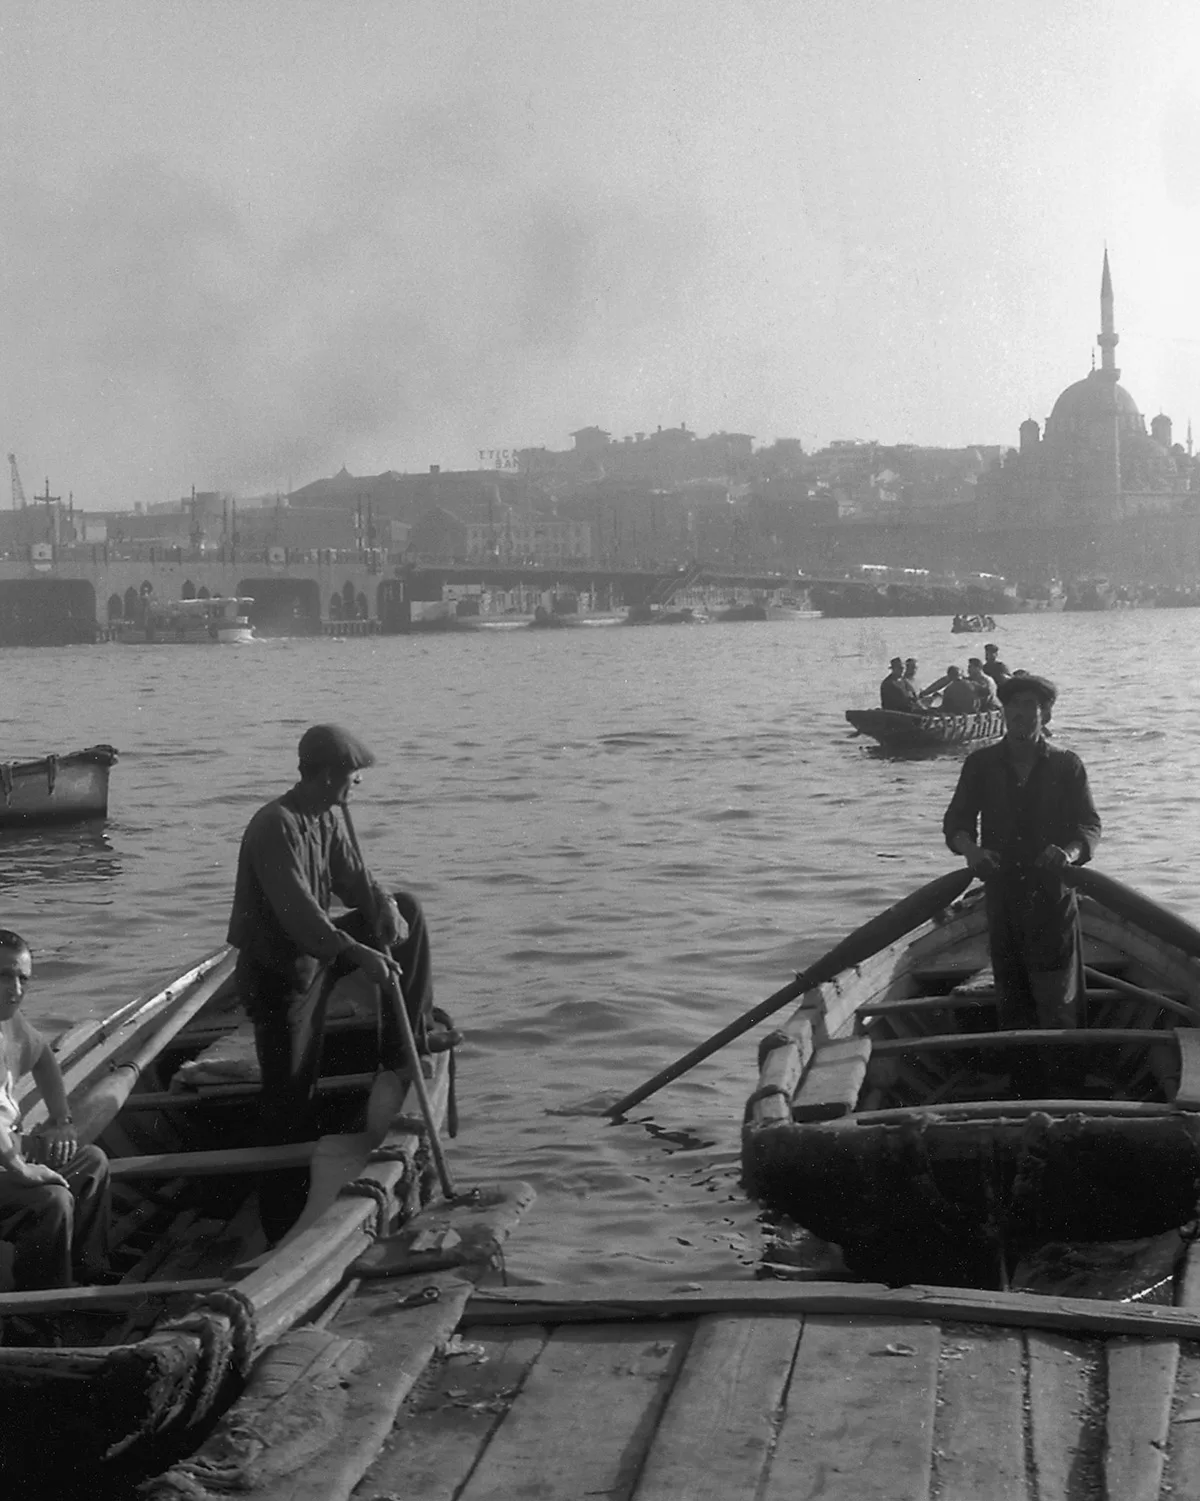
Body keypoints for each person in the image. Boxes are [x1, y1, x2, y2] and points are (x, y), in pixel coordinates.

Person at [227, 724, 452, 1241]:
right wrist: (360, 954)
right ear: (328, 776)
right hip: (282, 976)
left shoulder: (325, 820)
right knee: (290, 1104)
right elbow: (298, 913)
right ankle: (280, 1227)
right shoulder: (274, 825)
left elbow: (353, 879)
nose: (356, 787)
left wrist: (384, 905)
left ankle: (403, 1047)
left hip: (320, 957)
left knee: (410, 911)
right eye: (352, 777)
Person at [942, 675, 1101, 1095]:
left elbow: (1088, 828)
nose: (1018, 714)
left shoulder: (1067, 765)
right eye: (1011, 706)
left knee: (1056, 998)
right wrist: (972, 852)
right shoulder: (981, 764)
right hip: (1002, 896)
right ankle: (1023, 1089)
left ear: (1044, 714)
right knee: (1012, 996)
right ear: (1002, 713)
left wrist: (1067, 853)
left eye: (1028, 706)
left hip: (1051, 898)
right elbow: (956, 823)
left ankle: (1065, 1091)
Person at [0, 930, 110, 1289]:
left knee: (91, 1162)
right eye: (2, 976)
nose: (15, 989)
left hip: (8, 1150)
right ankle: (39, 1315)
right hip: (6, 1158)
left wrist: (61, 1120)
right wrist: (22, 1170)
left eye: (23, 978)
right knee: (52, 1200)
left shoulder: (9, 1023)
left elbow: (44, 1058)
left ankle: (88, 1278)